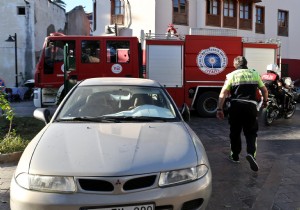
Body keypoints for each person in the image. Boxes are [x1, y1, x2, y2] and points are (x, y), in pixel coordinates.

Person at [216, 56, 268, 172]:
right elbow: (264, 90)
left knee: (235, 132)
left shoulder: (231, 75)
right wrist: (265, 102)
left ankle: (235, 156)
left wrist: (219, 109)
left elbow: (223, 92)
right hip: (251, 106)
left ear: (235, 65)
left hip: (235, 106)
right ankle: (251, 154)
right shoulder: (254, 74)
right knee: (251, 132)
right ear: (246, 63)